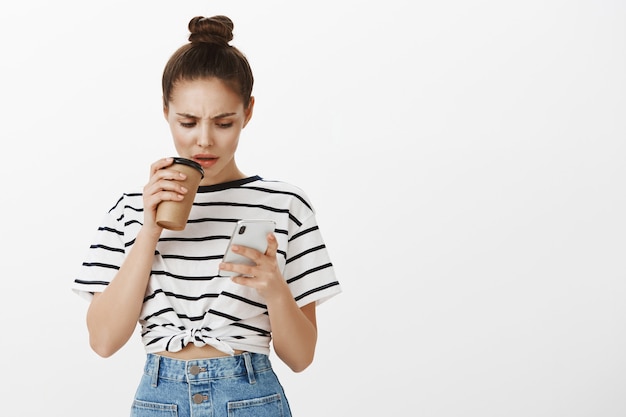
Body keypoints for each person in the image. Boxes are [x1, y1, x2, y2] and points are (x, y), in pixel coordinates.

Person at [72, 15, 341, 417]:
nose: (204, 139)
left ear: (248, 113)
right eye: (187, 121)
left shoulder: (285, 204)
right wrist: (149, 231)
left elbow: (301, 357)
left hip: (251, 397)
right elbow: (104, 342)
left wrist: (274, 289)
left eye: (223, 122)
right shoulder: (130, 209)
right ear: (165, 111)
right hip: (160, 400)